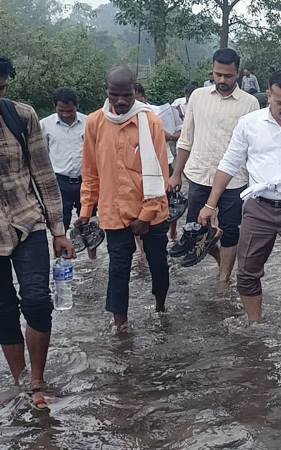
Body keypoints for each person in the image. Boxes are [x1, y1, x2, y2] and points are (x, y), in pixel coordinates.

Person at [198, 71, 281, 327]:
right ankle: (255, 325)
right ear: (268, 95)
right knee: (247, 272)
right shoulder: (249, 124)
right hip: (257, 208)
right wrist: (210, 204)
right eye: (280, 102)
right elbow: (229, 164)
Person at [0, 56, 75, 411]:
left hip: (27, 222)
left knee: (37, 300)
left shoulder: (21, 116)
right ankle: (19, 381)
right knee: (2, 310)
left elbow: (44, 176)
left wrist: (59, 230)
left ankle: (37, 381)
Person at [78, 66, 171, 331]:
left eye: (126, 96)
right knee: (118, 269)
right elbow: (91, 170)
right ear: (106, 91)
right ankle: (121, 327)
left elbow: (160, 173)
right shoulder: (95, 122)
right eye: (114, 95)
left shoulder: (151, 122)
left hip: (152, 211)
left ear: (135, 91)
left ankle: (161, 309)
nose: (120, 101)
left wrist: (146, 215)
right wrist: (86, 209)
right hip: (114, 211)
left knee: (158, 264)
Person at [169, 48, 259, 287]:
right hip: (199, 174)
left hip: (235, 180)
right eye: (217, 74)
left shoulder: (250, 104)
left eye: (227, 76)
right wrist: (176, 174)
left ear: (237, 74)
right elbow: (186, 138)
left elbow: (254, 147)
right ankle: (219, 258)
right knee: (195, 230)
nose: (221, 80)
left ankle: (224, 280)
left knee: (230, 231)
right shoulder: (198, 97)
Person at [40, 88, 88, 231]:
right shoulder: (44, 125)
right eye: (61, 110)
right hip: (60, 181)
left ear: (76, 106)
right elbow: (43, 154)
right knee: (60, 221)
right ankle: (62, 252)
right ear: (55, 107)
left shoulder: (89, 122)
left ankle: (93, 254)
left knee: (88, 220)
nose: (66, 114)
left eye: (70, 110)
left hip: (85, 181)